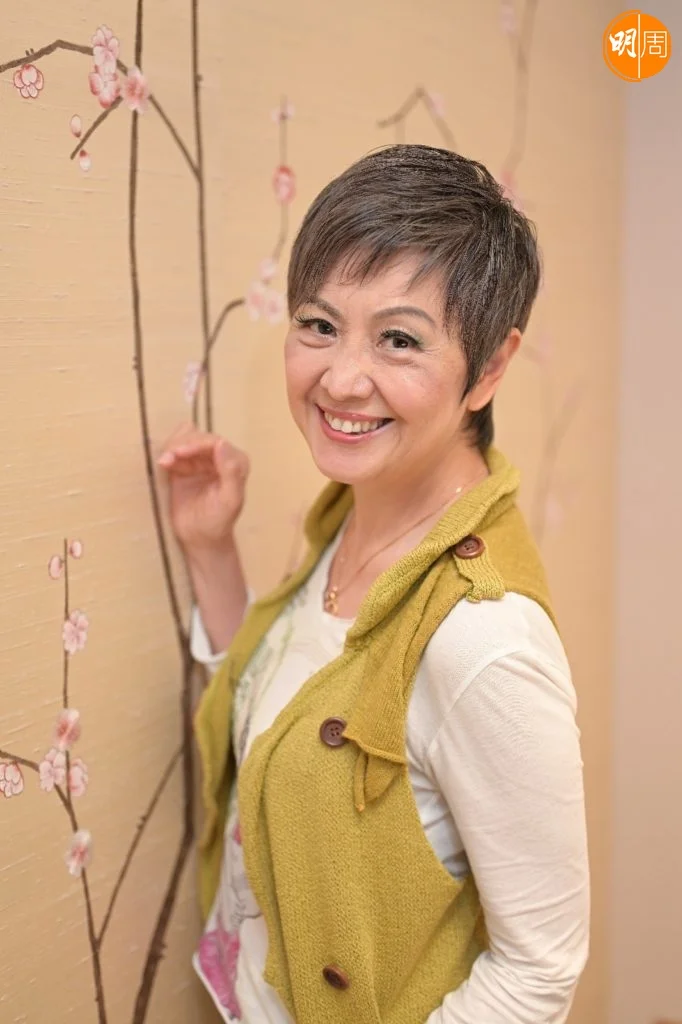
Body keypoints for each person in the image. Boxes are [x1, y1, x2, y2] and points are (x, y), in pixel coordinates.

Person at [158, 144, 589, 1024]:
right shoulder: (360, 516)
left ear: (490, 367)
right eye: (319, 325)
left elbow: (540, 970)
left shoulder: (483, 638)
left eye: (399, 339)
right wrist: (212, 551)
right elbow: (290, 704)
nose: (341, 379)